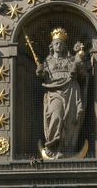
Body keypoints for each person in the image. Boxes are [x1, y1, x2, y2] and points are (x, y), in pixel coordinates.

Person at [36, 27, 87, 159]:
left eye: (61, 44)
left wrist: (79, 65)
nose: (59, 46)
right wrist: (40, 72)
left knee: (70, 121)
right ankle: (53, 146)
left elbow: (82, 77)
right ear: (52, 46)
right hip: (54, 93)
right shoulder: (47, 61)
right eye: (56, 43)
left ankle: (67, 149)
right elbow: (43, 76)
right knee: (56, 115)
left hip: (71, 91)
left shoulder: (71, 60)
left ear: (65, 46)